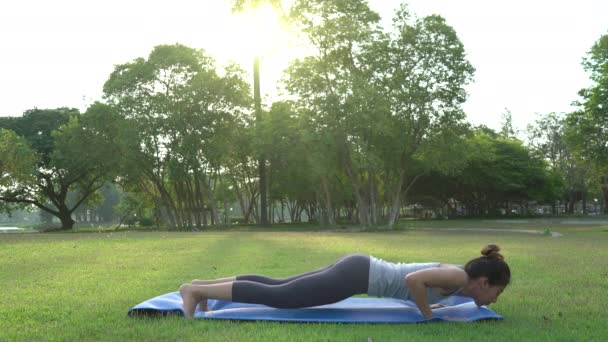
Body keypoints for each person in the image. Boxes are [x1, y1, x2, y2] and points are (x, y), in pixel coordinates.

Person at [179, 244, 510, 318]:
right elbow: (413, 280)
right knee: (284, 298)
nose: (495, 298)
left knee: (280, 284)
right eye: (497, 291)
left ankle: (201, 285)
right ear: (484, 281)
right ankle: (194, 291)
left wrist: (433, 306)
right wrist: (428, 316)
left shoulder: (459, 288)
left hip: (358, 269)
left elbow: (420, 290)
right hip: (358, 274)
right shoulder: (457, 275)